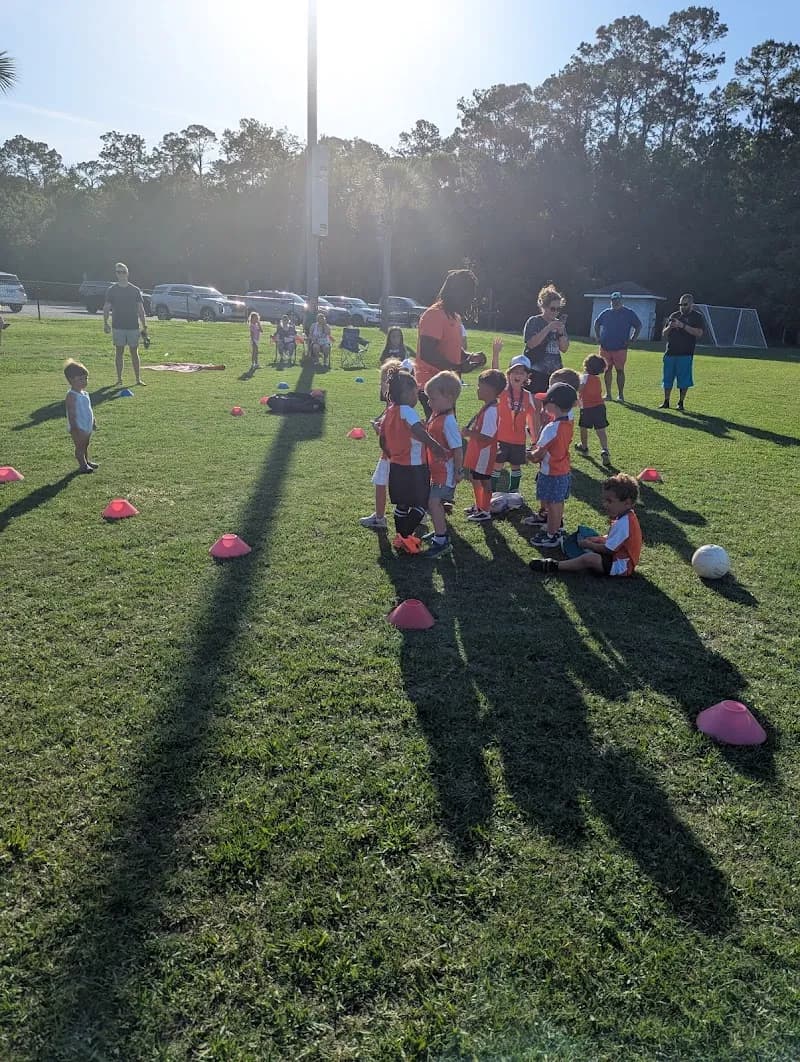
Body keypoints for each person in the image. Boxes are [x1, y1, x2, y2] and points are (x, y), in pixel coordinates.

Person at [380, 366, 446, 554]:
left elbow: (382, 439)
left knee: (402, 503)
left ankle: (404, 539)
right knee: (421, 503)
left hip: (397, 466)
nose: (417, 397)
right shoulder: (407, 411)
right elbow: (418, 431)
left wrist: (390, 453)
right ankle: (404, 534)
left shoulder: (389, 412)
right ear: (408, 393)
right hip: (414, 467)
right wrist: (435, 446)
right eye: (416, 393)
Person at [530, 473, 642, 576]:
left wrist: (589, 545)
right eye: (605, 500)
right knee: (591, 539)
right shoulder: (626, 517)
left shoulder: (624, 523)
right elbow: (615, 540)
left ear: (627, 503)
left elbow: (609, 550)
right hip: (615, 557)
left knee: (590, 559)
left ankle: (554, 565)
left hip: (621, 566)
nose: (604, 504)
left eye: (609, 501)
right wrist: (597, 539)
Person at [416, 269, 483, 417]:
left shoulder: (454, 316)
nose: (471, 299)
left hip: (447, 386)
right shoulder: (434, 314)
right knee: (443, 432)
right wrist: (457, 367)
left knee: (445, 430)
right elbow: (427, 353)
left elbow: (450, 348)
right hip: (432, 385)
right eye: (468, 294)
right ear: (457, 292)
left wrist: (470, 357)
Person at [526, 382, 577, 549]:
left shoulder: (551, 428)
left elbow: (537, 456)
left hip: (551, 472)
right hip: (563, 470)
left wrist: (525, 454)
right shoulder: (569, 420)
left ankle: (551, 534)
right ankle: (554, 524)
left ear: (553, 405)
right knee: (557, 501)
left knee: (553, 504)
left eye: (545, 403)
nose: (543, 406)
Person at [423, 370, 464, 558]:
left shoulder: (448, 421)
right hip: (436, 470)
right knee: (433, 503)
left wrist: (458, 470)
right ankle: (440, 531)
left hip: (445, 472)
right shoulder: (437, 415)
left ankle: (442, 539)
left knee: (433, 503)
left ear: (448, 397)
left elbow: (457, 448)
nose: (429, 402)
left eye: (432, 398)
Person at [360, 357, 403, 531]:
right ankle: (419, 515)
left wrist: (379, 429)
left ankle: (380, 518)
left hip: (392, 454)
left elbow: (393, 431)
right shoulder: (395, 402)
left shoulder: (396, 405)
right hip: (394, 453)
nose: (382, 385)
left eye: (384, 380)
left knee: (382, 483)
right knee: (388, 483)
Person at [491, 346, 538, 497]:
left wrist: (535, 439)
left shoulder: (527, 395)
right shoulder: (502, 390)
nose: (517, 375)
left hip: (518, 440)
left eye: (521, 372)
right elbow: (494, 375)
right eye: (514, 372)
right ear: (509, 373)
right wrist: (496, 354)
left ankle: (513, 490)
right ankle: (491, 491)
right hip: (501, 438)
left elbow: (531, 418)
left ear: (527, 376)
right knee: (497, 465)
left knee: (516, 466)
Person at [462, 368, 506, 522]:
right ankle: (479, 505)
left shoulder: (492, 411)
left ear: (490, 389)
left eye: (480, 386)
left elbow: (487, 437)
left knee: (483, 480)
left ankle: (485, 510)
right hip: (478, 451)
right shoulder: (488, 406)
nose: (477, 389)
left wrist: (468, 434)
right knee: (475, 478)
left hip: (484, 452)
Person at [103, 262, 148, 387]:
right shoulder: (112, 290)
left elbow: (141, 309)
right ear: (116, 274)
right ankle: (119, 379)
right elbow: (107, 307)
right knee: (119, 352)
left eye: (123, 271)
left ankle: (138, 379)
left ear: (127, 273)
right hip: (118, 326)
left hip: (133, 326)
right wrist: (105, 323)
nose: (121, 274)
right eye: (118, 272)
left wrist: (144, 326)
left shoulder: (135, 290)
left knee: (134, 352)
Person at [593, 292, 641, 403]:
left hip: (620, 347)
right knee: (607, 369)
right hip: (605, 347)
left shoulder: (629, 313)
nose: (615, 302)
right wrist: (598, 336)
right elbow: (597, 323)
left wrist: (633, 338)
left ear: (621, 301)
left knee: (620, 370)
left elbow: (638, 325)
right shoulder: (606, 313)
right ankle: (608, 394)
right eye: (613, 300)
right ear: (611, 301)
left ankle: (620, 395)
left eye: (618, 300)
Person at [522, 284, 570, 395]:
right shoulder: (534, 321)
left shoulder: (559, 324)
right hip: (535, 372)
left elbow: (564, 348)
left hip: (555, 374)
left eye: (558, 309)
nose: (556, 312)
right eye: (553, 309)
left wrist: (561, 332)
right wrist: (548, 328)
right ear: (543, 306)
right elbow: (531, 343)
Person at [660, 293, 704, 410]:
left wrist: (682, 325)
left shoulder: (697, 317)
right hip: (670, 353)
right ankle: (666, 401)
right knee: (667, 379)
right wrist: (670, 327)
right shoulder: (674, 315)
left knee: (684, 380)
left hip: (685, 354)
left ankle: (680, 402)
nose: (682, 307)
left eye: (685, 304)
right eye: (680, 304)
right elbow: (664, 333)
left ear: (691, 304)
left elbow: (699, 333)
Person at [575, 353, 612, 466]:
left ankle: (584, 446)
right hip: (600, 407)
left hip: (587, 408)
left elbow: (580, 388)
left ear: (586, 365)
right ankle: (605, 449)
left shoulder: (585, 377)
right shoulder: (596, 379)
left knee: (583, 427)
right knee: (601, 430)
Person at [64, 359, 97, 473]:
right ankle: (82, 465)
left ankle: (87, 461)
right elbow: (72, 413)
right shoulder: (71, 395)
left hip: (87, 424)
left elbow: (88, 409)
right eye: (80, 379)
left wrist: (93, 420)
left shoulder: (85, 393)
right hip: (77, 426)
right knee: (80, 446)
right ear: (71, 380)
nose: (84, 381)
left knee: (86, 444)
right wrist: (74, 427)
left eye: (85, 378)